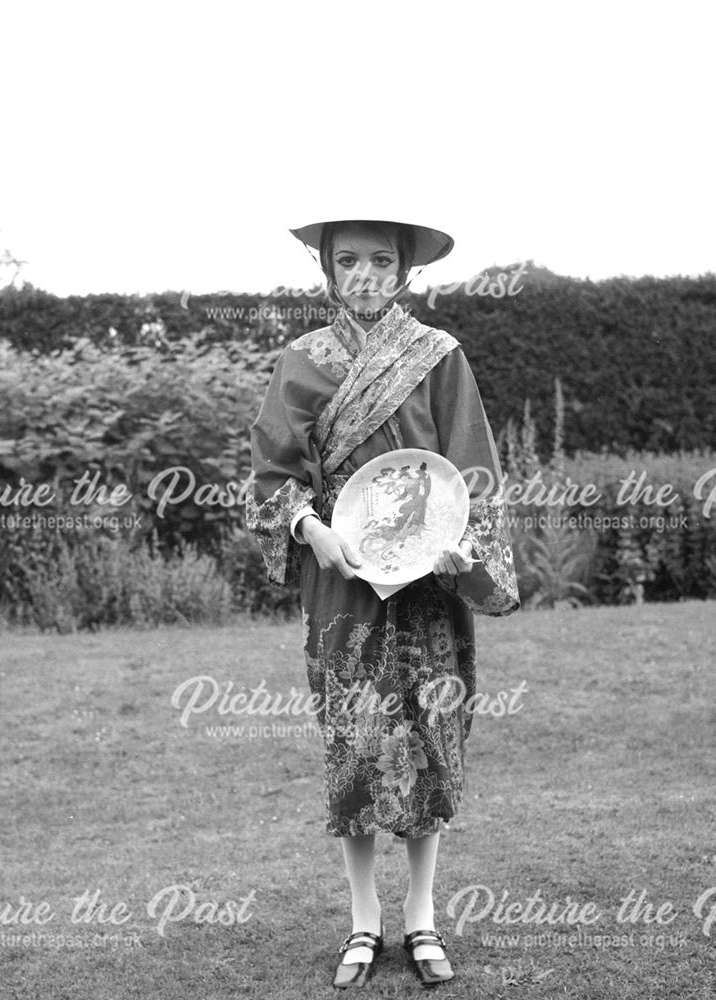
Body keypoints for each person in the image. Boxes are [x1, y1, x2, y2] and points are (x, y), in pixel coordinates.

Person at [246, 217, 519, 989]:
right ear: (327, 270)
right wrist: (309, 527)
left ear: (405, 271)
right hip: (342, 583)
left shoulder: (439, 356)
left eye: (379, 260)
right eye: (346, 261)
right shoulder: (301, 360)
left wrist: (463, 550)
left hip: (430, 584)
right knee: (355, 749)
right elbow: (272, 473)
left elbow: (472, 467)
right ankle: (363, 922)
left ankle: (422, 918)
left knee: (431, 738)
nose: (363, 273)